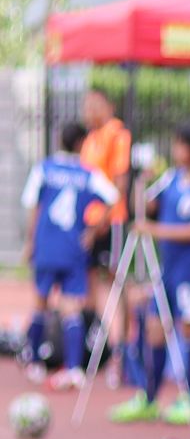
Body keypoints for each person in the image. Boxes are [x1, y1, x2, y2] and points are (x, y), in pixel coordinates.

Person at [111, 123, 190, 427]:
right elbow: (144, 206)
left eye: (180, 144)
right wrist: (139, 184)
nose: (175, 150)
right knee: (155, 329)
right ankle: (149, 397)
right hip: (167, 268)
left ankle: (189, 400)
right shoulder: (171, 178)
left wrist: (154, 230)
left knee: (189, 328)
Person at [23, 122, 115, 387]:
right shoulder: (88, 173)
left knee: (40, 302)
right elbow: (113, 197)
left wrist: (31, 242)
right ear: (81, 144)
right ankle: (74, 368)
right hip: (74, 248)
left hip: (47, 246)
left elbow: (32, 205)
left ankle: (34, 363)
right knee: (72, 307)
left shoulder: (44, 168)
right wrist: (93, 231)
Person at [78, 85, 132, 308]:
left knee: (115, 277)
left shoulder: (118, 135)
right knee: (87, 277)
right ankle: (95, 335)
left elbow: (119, 185)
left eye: (94, 106)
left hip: (110, 221)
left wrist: (103, 220)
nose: (89, 111)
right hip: (89, 221)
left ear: (109, 107)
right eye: (87, 106)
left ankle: (123, 338)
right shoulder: (90, 139)